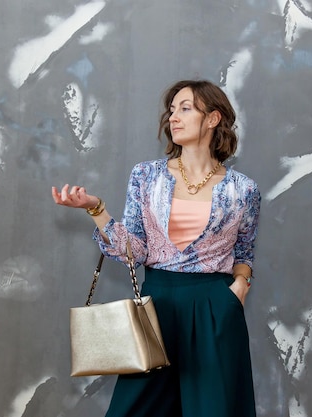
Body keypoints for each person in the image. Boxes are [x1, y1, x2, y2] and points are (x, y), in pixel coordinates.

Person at [52, 79, 261, 417]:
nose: (173, 117)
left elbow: (245, 252)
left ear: (213, 119)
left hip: (215, 308)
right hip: (157, 304)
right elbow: (133, 249)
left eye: (185, 108)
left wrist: (239, 287)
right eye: (172, 110)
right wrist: (96, 209)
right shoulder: (146, 176)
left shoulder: (244, 189)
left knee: (215, 410)